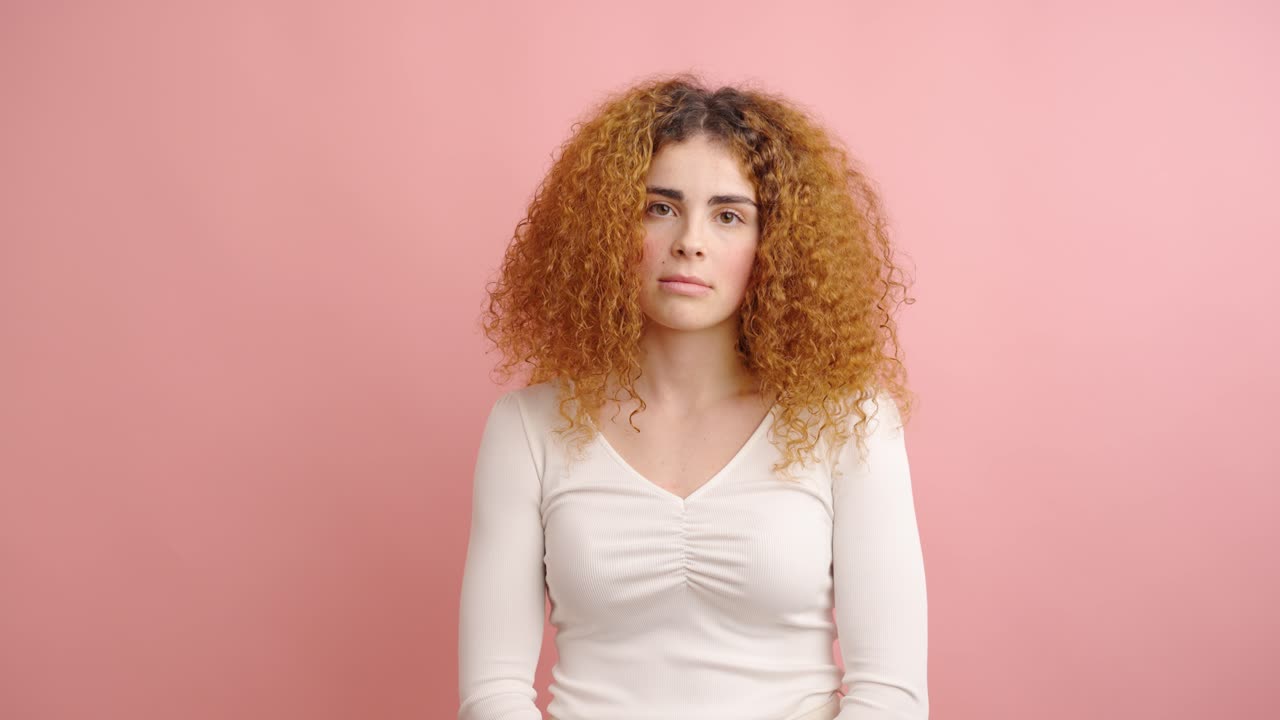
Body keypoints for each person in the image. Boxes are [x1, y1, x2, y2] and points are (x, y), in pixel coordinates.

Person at [458, 72, 928, 720]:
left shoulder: (853, 425)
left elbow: (890, 695)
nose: (690, 241)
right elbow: (493, 692)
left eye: (729, 215)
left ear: (776, 247)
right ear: (604, 229)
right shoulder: (527, 427)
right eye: (660, 207)